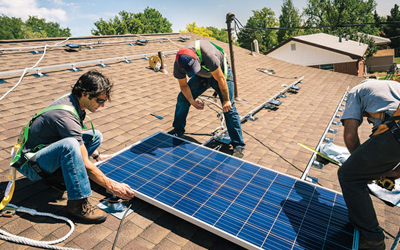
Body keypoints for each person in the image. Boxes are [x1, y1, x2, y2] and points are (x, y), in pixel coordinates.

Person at [16, 70, 135, 223]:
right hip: (31, 165)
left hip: (44, 151)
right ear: (85, 94)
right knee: (70, 145)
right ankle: (78, 204)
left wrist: (97, 156)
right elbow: (83, 160)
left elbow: (76, 139)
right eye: (99, 100)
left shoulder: (73, 100)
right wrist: (112, 186)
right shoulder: (66, 116)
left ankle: (58, 177)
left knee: (95, 136)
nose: (103, 105)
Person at [338, 79, 400, 250]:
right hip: (396, 133)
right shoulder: (390, 90)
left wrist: (358, 169)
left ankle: (373, 239)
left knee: (348, 176)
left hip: (397, 131)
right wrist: (396, 172)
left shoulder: (357, 91)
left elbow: (350, 136)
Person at [170, 39, 246, 158]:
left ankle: (238, 145)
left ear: (197, 57)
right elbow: (183, 86)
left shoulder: (209, 55)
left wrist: (226, 100)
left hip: (220, 73)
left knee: (229, 108)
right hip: (202, 76)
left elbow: (221, 79)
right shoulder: (179, 64)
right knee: (182, 99)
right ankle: (177, 131)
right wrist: (192, 101)